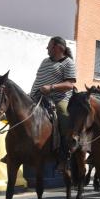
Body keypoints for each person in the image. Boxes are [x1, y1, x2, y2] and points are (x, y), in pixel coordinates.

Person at [30, 36, 77, 167]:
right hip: (36, 96)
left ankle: (64, 153)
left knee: (64, 117)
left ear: (57, 47)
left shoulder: (68, 63)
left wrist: (51, 88)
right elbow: (38, 80)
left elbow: (70, 84)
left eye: (49, 46)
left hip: (58, 99)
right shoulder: (45, 61)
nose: (47, 48)